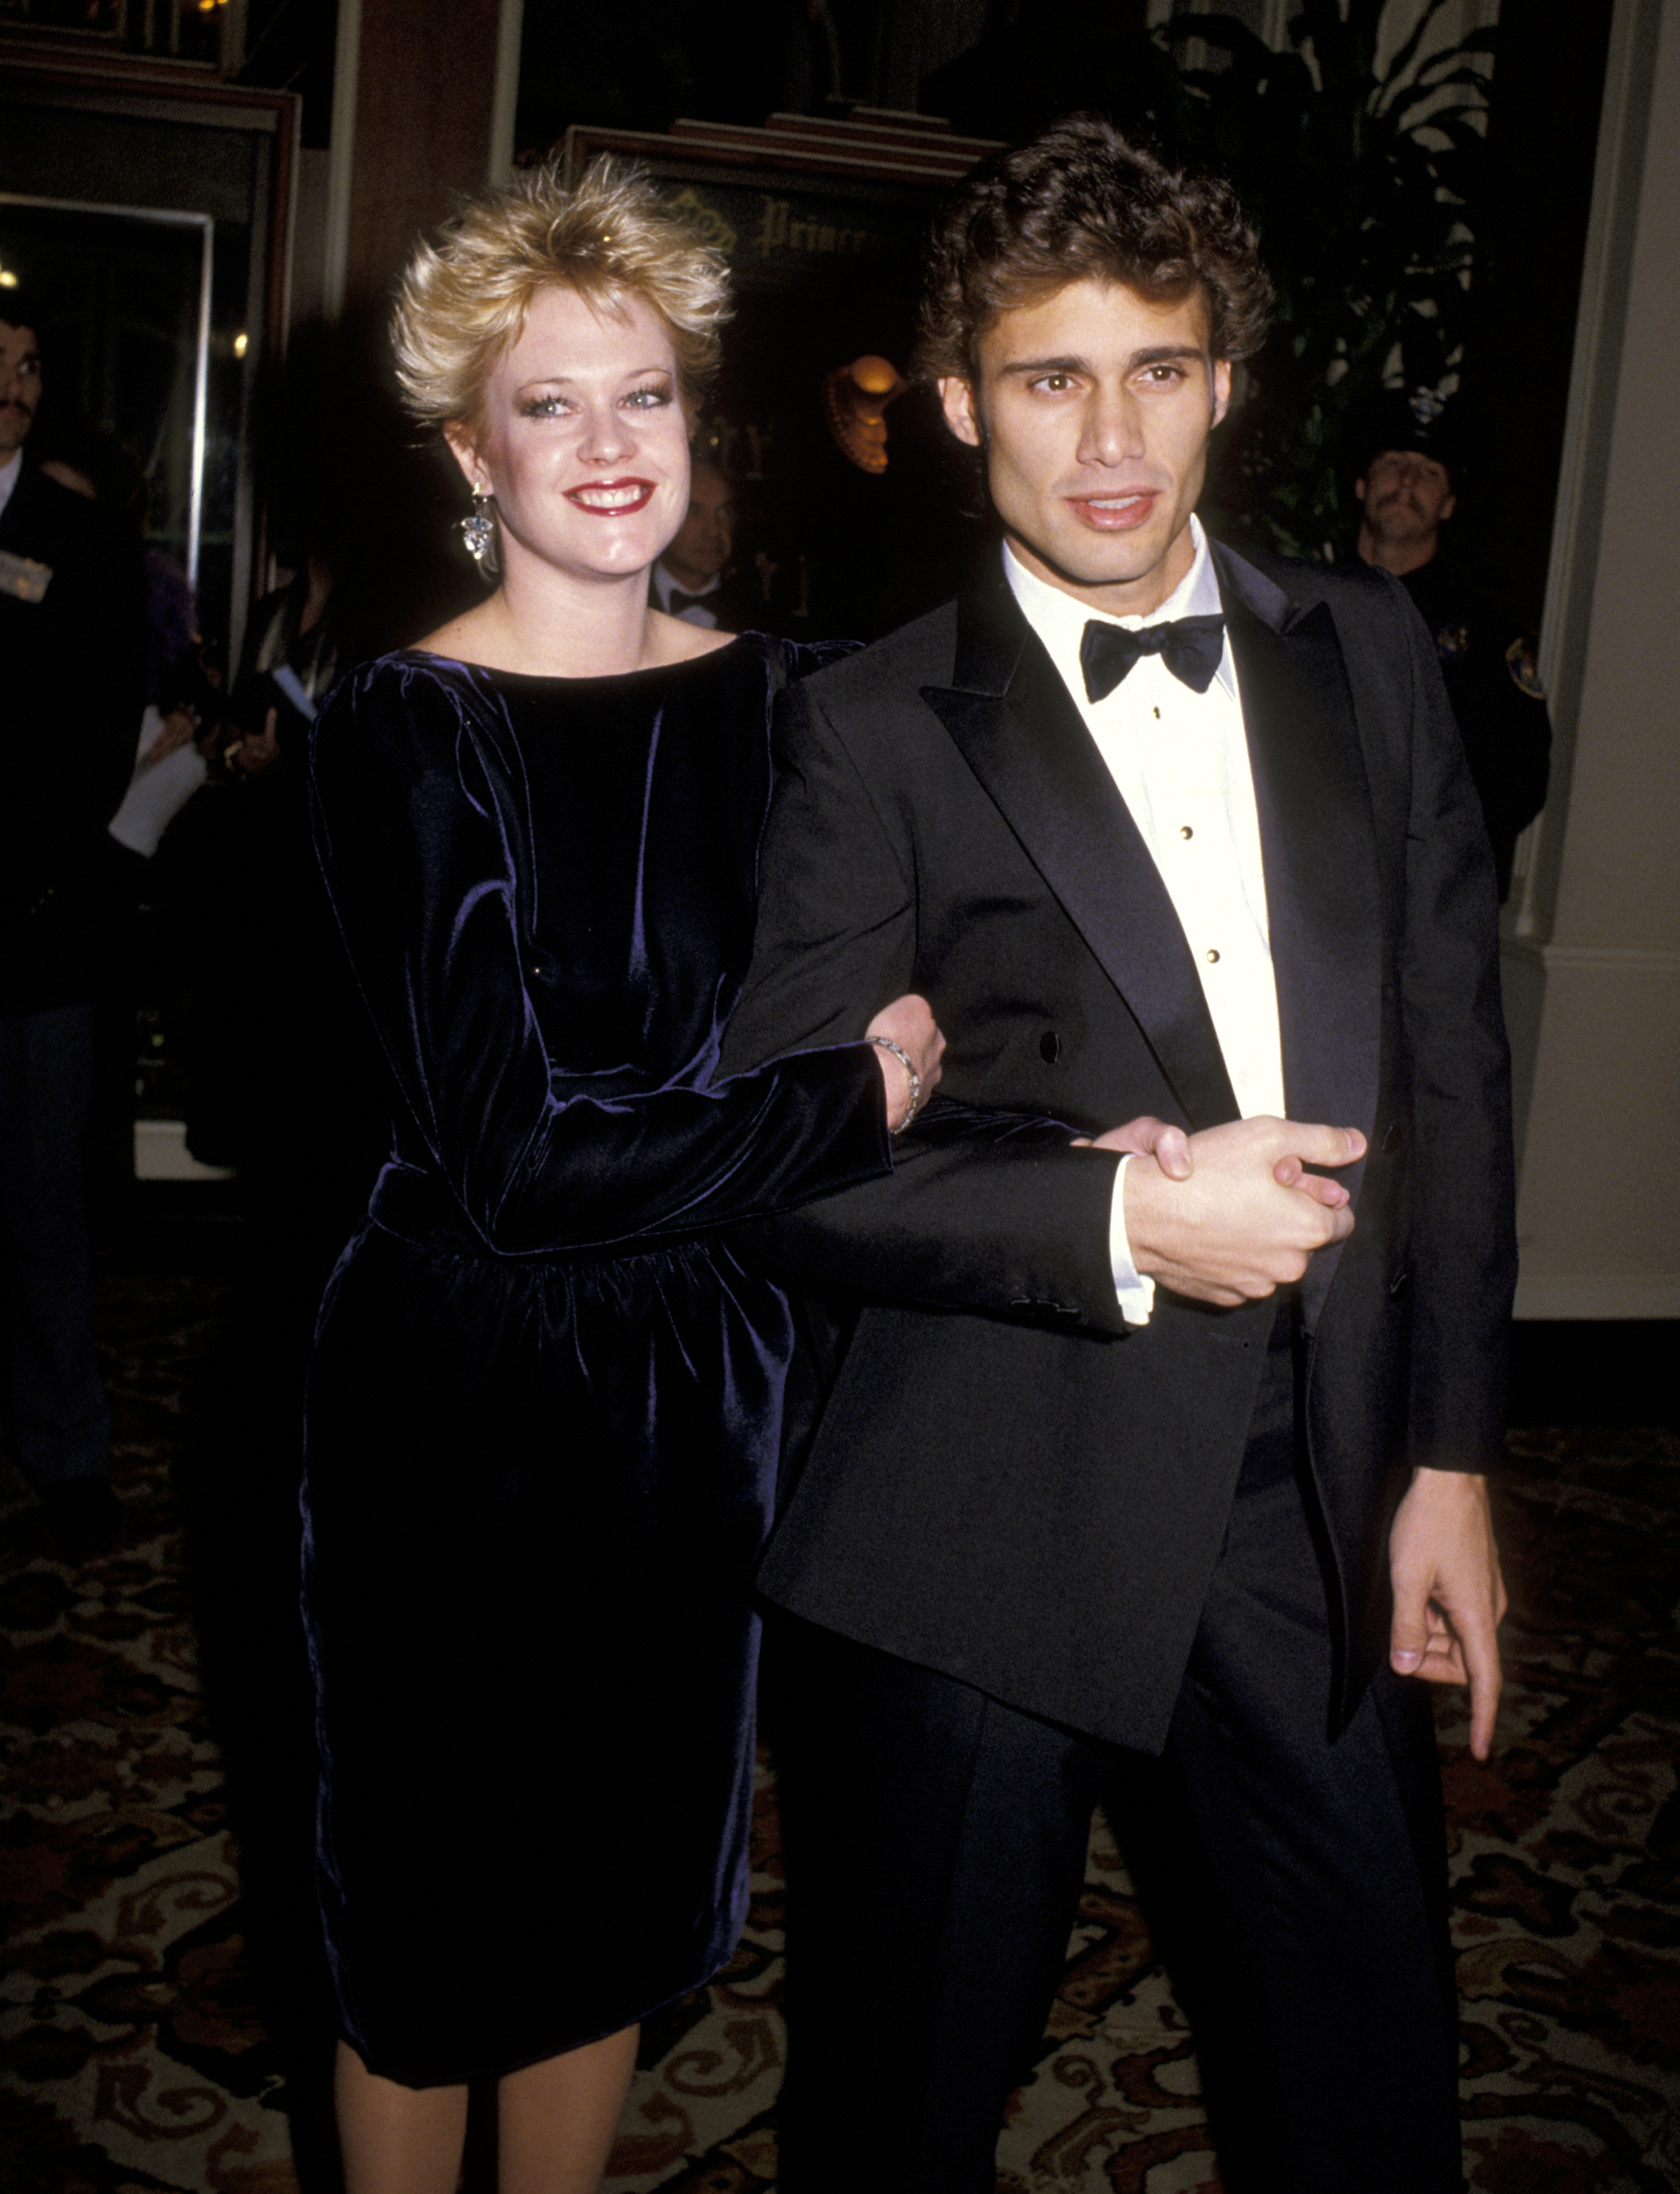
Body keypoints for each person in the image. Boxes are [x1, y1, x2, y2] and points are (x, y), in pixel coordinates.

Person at [718, 118, 1516, 2193]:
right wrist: (1117, 1213)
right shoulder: (871, 722)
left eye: (1156, 368)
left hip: (1303, 1483)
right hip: (993, 1483)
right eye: (1050, 378)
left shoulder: (1374, 658)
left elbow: (1456, 1069)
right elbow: (784, 1161)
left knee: (1371, 2072)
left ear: (1225, 382)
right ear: (961, 398)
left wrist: (1446, 1458)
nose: (1108, 437)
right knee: (906, 2090)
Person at [298, 159, 946, 2194]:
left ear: (697, 426)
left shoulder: (787, 705)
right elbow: (515, 1163)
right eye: (550, 402)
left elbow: (922, 991)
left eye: (642, 394)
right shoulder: (407, 725)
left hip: (698, 1384)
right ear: (468, 448)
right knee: (426, 1914)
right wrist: (853, 1103)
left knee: (607, 1894)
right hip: (460, 1389)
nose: (604, 444)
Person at [0, 294, 146, 1560]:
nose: (16, 384)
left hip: (35, 930)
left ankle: (68, 1455)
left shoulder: (78, 541)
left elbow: (104, 735)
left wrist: (31, 874)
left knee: (45, 1207)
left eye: (33, 365)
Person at [1352, 393, 1552, 899]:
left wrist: (1427, 863)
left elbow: (1518, 781)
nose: (1407, 481)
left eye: (1429, 473)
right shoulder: (1291, 605)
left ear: (1448, 505)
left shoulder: (1486, 637)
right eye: (1393, 464)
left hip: (1421, 906)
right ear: (1360, 484)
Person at [647, 456, 748, 626]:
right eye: (694, 512)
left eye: (724, 512)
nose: (714, 530)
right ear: (661, 518)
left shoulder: (759, 613)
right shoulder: (621, 605)